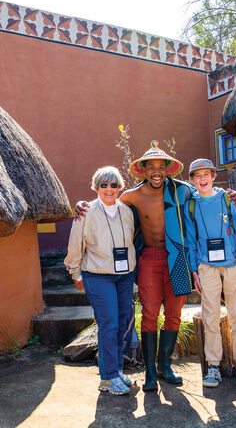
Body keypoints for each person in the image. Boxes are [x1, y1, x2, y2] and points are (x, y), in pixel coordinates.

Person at [75, 141, 196, 392]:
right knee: (150, 314)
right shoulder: (132, 196)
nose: (156, 171)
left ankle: (165, 367)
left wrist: (229, 197)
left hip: (178, 258)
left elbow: (206, 201)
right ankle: (150, 371)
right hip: (149, 259)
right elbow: (106, 203)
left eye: (161, 167)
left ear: (168, 169)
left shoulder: (182, 191)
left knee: (174, 313)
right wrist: (81, 206)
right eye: (151, 167)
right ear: (143, 170)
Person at [183, 158, 236, 388]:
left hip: (233, 264)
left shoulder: (226, 199)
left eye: (206, 174)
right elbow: (191, 240)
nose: (202, 179)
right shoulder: (191, 205)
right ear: (192, 180)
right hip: (206, 265)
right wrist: (194, 269)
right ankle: (213, 365)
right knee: (210, 317)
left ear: (214, 176)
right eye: (197, 176)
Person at [64, 166, 137, 396]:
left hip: (124, 276)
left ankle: (116, 370)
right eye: (103, 185)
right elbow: (76, 244)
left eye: (113, 185)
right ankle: (107, 378)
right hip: (97, 276)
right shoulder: (85, 211)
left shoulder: (126, 211)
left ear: (119, 188)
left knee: (124, 322)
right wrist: (75, 273)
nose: (109, 189)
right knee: (109, 324)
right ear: (96, 187)